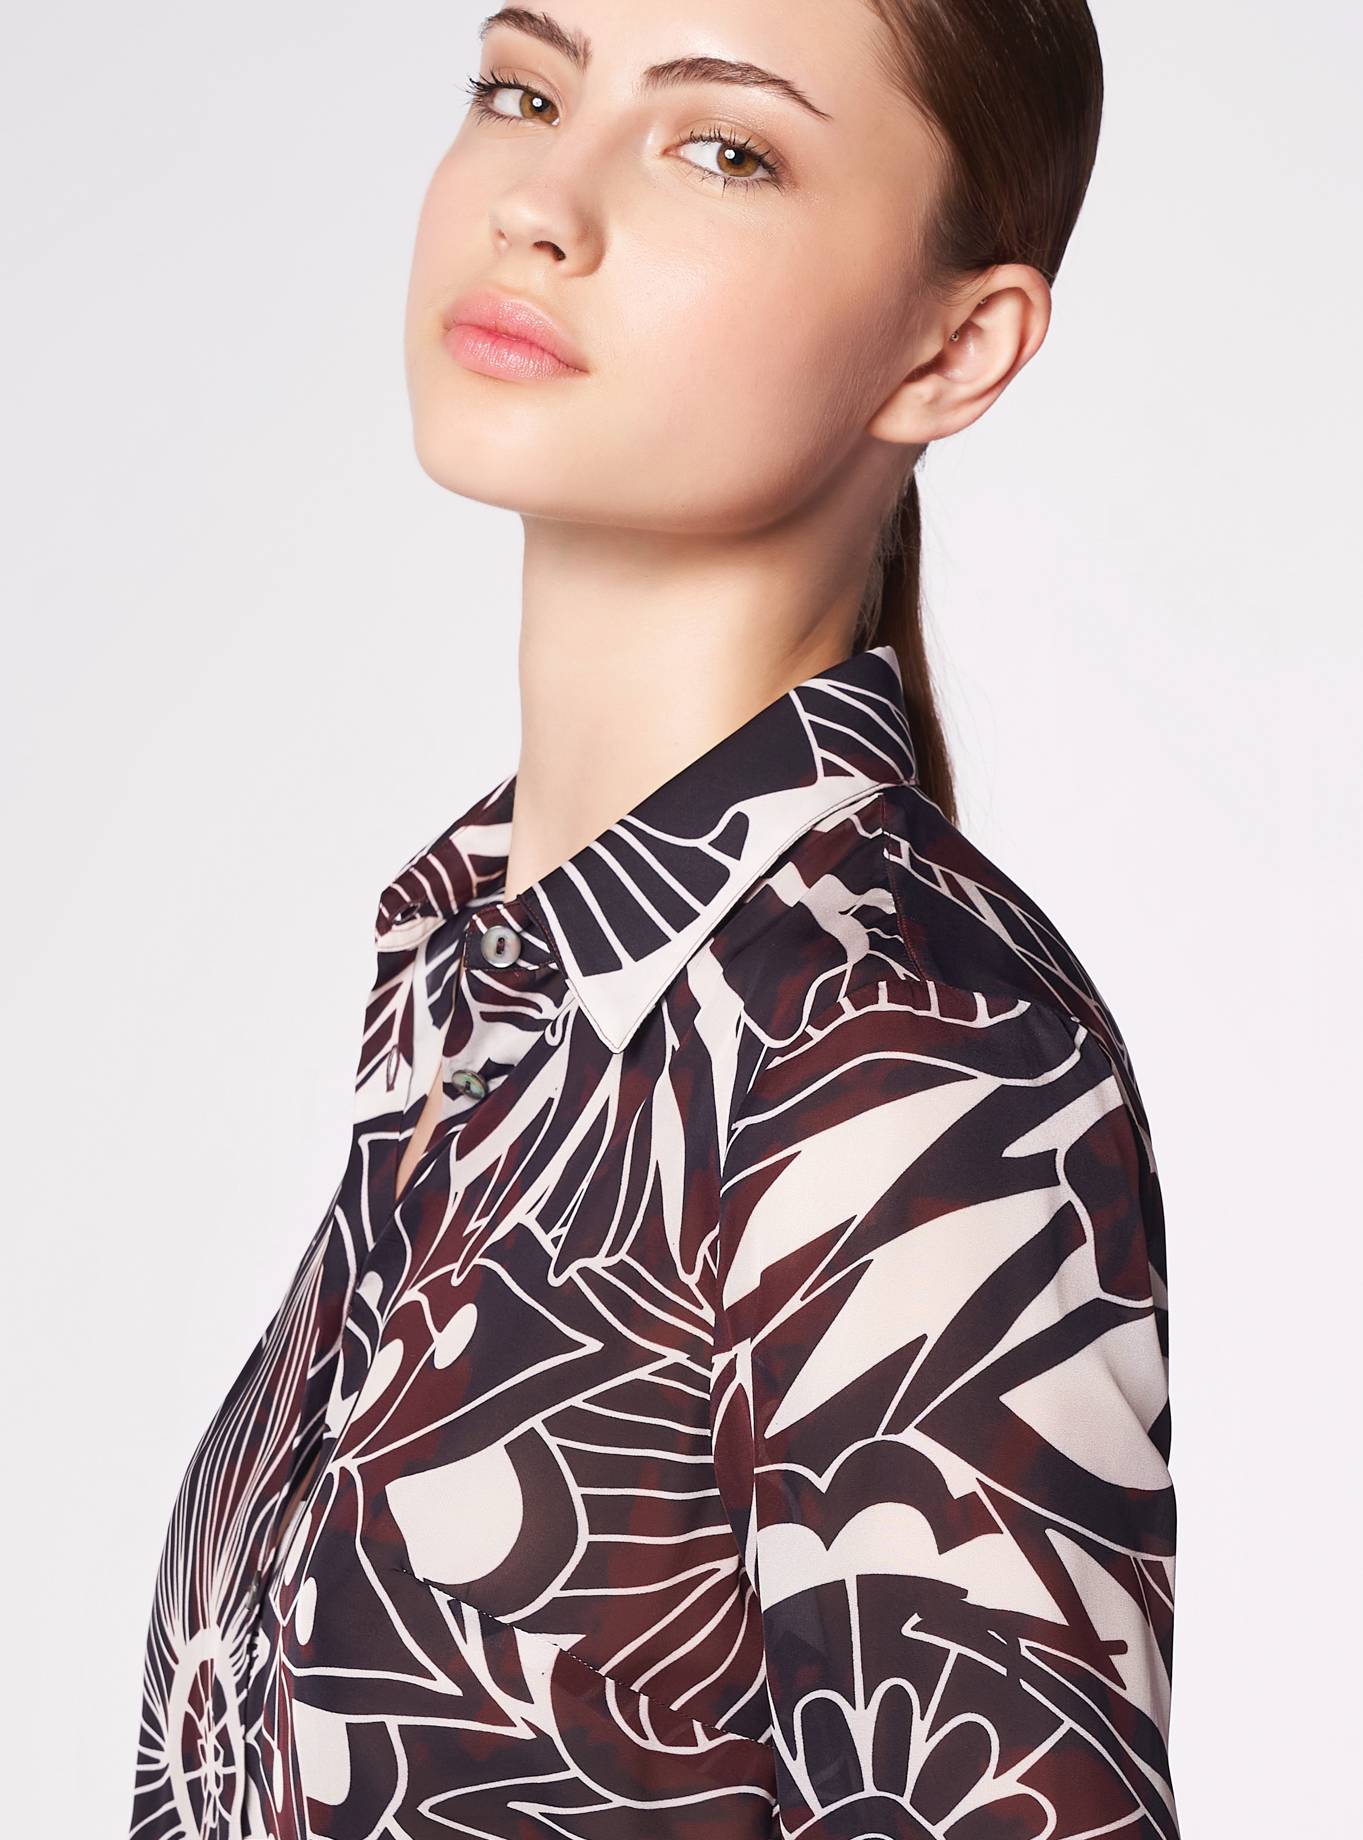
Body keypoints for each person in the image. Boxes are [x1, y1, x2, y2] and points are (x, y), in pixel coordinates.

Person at [128, 3, 1180, 1836]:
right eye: (524, 90)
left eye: (724, 148)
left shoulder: (900, 1049)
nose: (542, 200)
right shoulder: (487, 1009)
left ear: (955, 348)